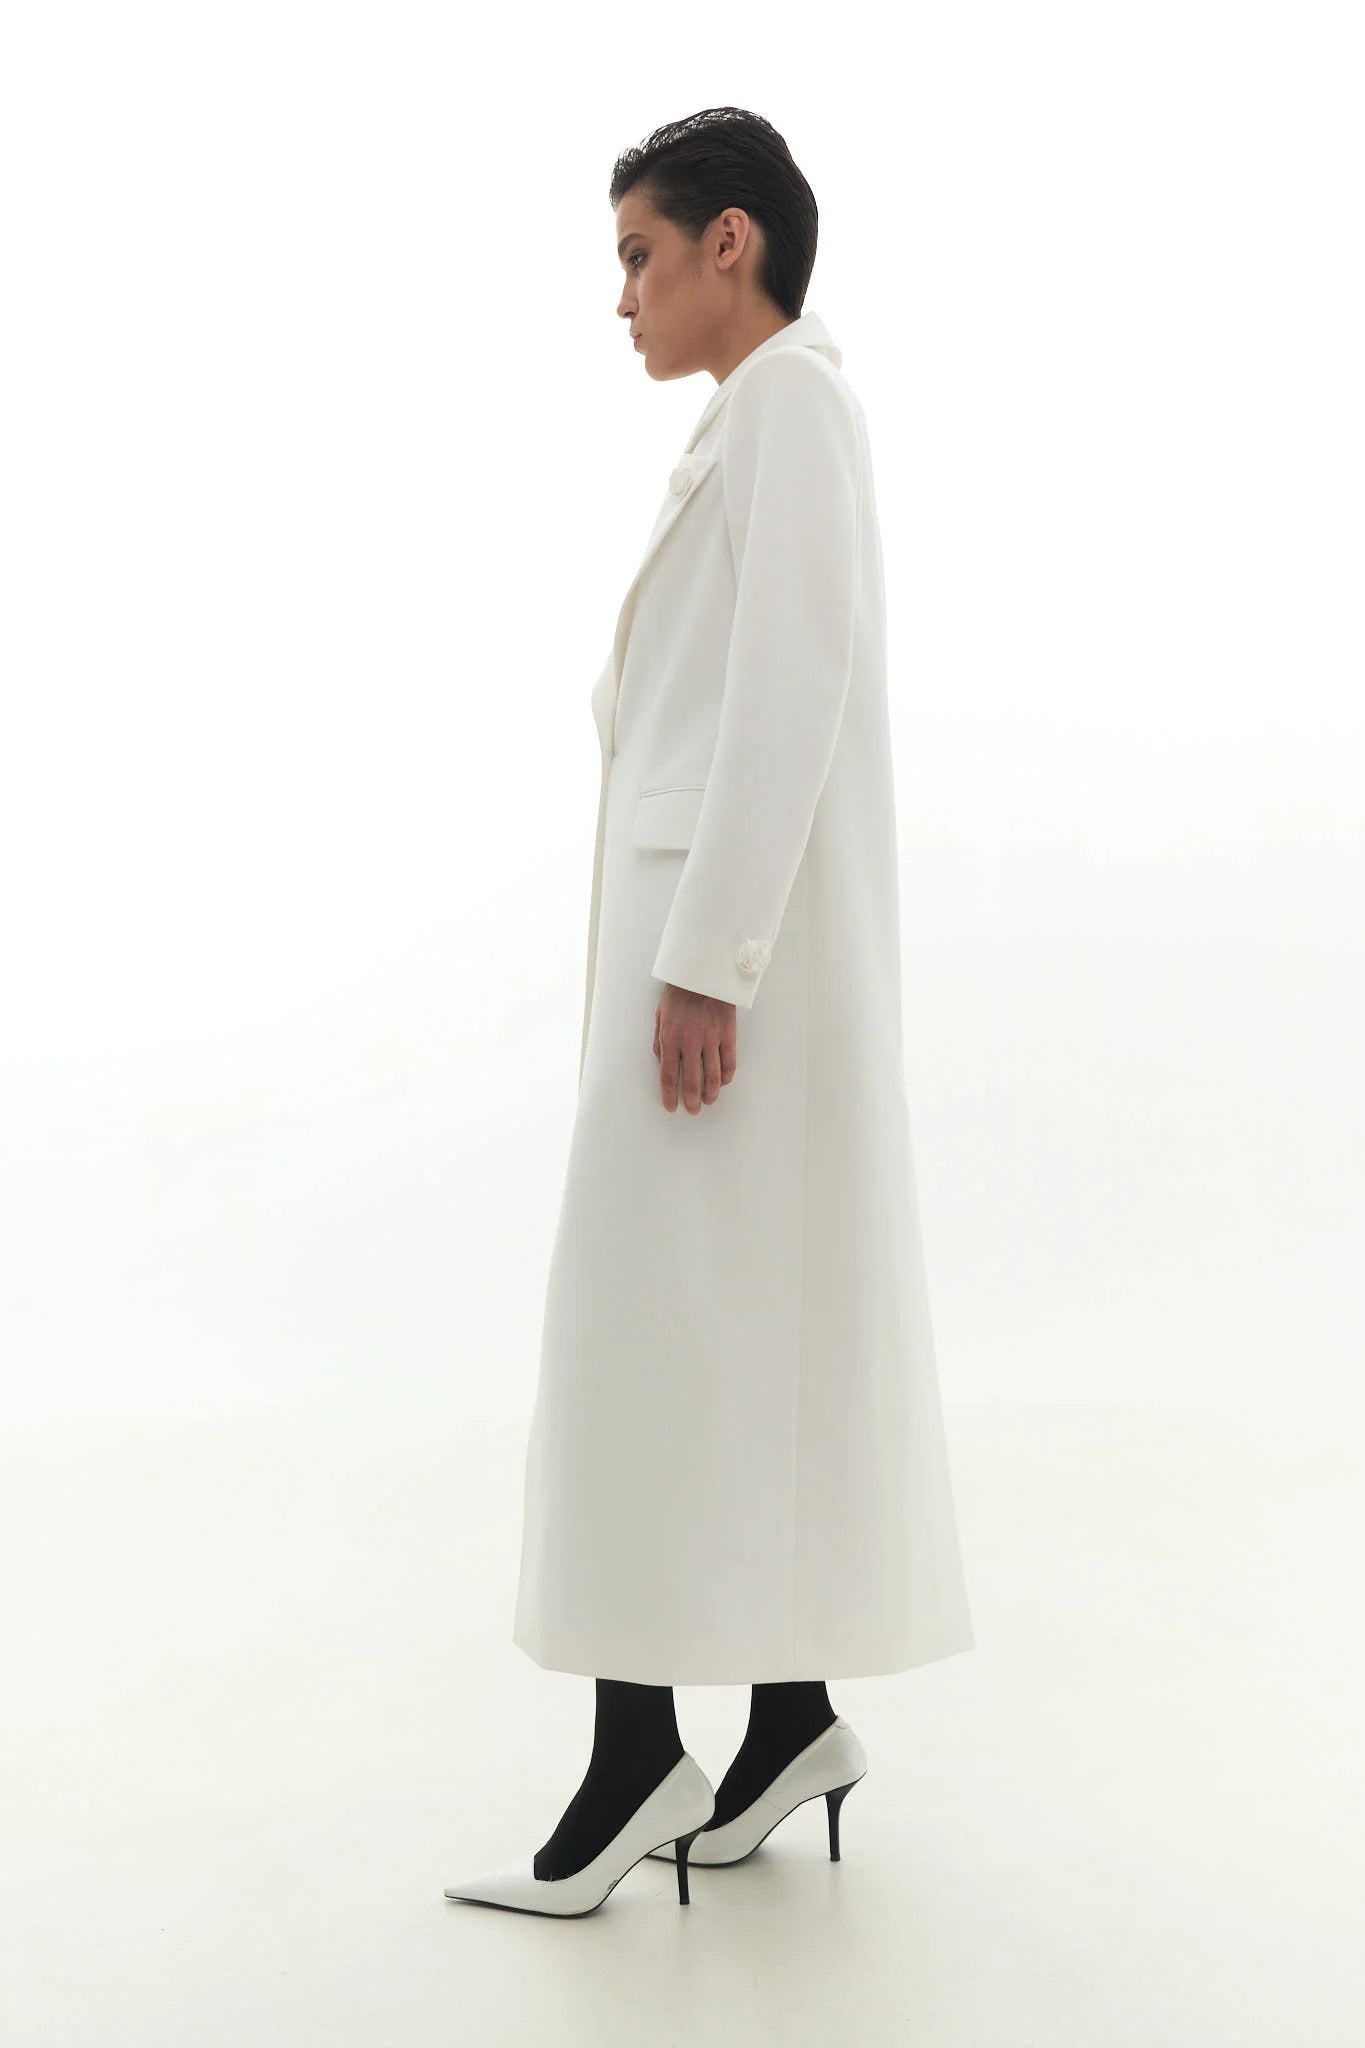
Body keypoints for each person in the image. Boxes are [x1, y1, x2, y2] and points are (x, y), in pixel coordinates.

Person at [445, 106, 974, 1918]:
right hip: (725, 970)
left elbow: (790, 678)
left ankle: (632, 1762)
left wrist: (707, 960)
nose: (621, 298)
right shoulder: (753, 419)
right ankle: (785, 1723)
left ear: (727, 242)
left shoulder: (787, 407)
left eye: (637, 255)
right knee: (724, 1340)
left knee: (646, 1344)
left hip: (722, 980)